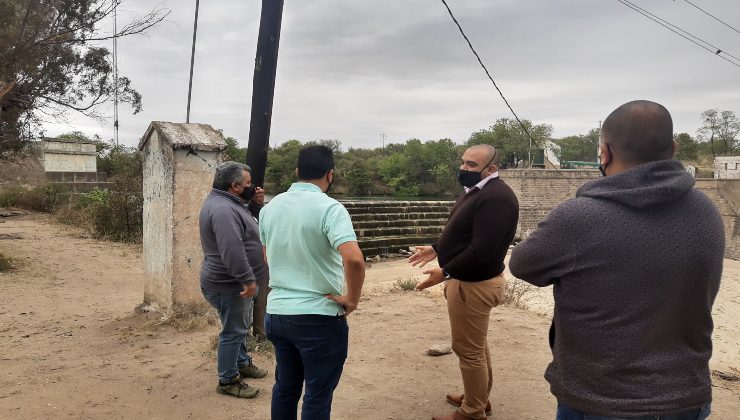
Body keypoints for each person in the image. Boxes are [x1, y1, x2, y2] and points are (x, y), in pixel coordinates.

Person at [509, 100, 723, 419]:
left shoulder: (579, 217)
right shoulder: (706, 210)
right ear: (674, 147)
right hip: (686, 397)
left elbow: (522, 265)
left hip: (602, 400)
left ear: (604, 153)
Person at [410, 144, 519, 420]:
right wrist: (435, 248)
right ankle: (478, 399)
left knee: (469, 351)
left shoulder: (497, 198)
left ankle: (472, 412)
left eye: (472, 165)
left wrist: (444, 271)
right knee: (476, 346)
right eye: (463, 162)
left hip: (474, 285)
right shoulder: (479, 191)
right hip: (470, 281)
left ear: (491, 169)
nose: (464, 169)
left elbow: (481, 249)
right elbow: (462, 233)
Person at [259, 145, 366, 420]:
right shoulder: (330, 208)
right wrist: (352, 299)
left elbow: (268, 257)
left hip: (277, 313)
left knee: (285, 386)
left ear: (296, 172)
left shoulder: (270, 208)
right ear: (330, 174)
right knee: (317, 393)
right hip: (317, 316)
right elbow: (353, 260)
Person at [199, 161, 269, 399]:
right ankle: (228, 380)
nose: (253, 187)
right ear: (235, 186)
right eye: (248, 184)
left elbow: (242, 228)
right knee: (233, 331)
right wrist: (248, 280)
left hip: (231, 283)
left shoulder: (228, 202)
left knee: (237, 328)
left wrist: (254, 204)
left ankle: (241, 362)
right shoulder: (223, 210)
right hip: (231, 284)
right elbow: (231, 249)